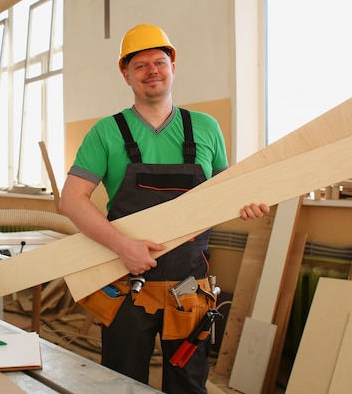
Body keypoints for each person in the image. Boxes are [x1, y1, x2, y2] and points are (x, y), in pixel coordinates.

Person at [59, 24, 269, 394]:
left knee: (188, 383)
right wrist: (124, 247)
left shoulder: (206, 128)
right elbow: (71, 200)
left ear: (173, 68)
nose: (151, 70)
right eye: (140, 65)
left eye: (159, 61)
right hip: (125, 285)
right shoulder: (106, 133)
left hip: (189, 287)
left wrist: (243, 203)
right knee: (121, 383)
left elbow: (223, 193)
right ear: (125, 74)